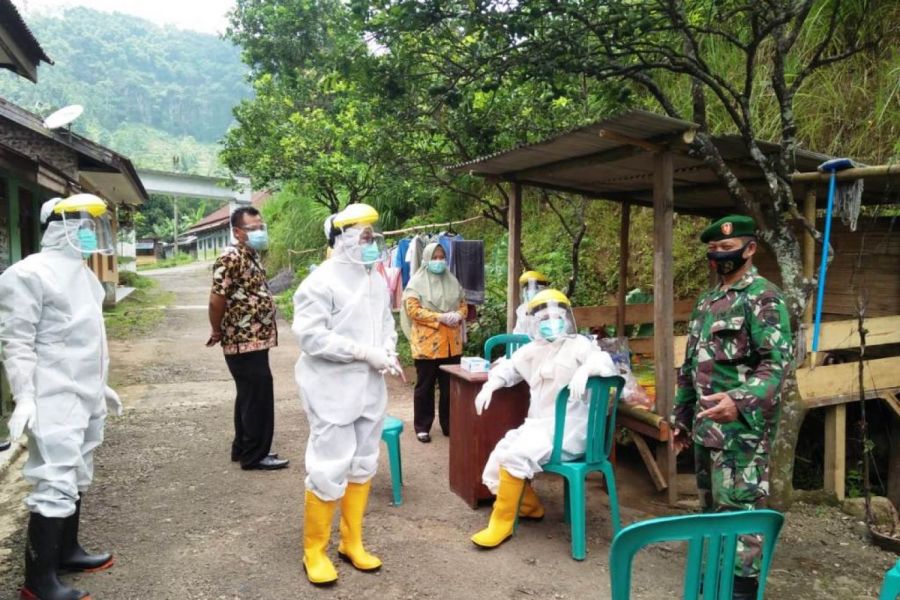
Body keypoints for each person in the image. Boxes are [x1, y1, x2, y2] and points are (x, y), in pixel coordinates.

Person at [0, 194, 123, 600]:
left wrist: (100, 384)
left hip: (84, 392)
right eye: (83, 225)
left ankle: (67, 551)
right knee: (53, 478)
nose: (89, 234)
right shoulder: (28, 274)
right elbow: (16, 342)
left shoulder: (84, 275)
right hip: (52, 393)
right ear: (59, 226)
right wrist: (25, 397)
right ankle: (38, 581)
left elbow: (90, 339)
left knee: (77, 470)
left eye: (94, 226)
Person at [671, 215, 792, 600]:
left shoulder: (763, 297)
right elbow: (692, 365)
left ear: (750, 248)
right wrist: (681, 419)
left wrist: (738, 402)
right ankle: (716, 582)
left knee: (740, 514)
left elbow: (776, 363)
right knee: (710, 514)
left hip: (742, 434)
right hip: (707, 432)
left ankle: (740, 590)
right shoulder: (707, 302)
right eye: (714, 249)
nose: (720, 255)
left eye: (727, 247)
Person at [293, 203, 401, 585]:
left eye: (374, 235)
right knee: (329, 465)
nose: (370, 242)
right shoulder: (321, 282)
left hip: (370, 385)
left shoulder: (373, 277)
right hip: (332, 387)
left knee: (363, 461)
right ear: (341, 238)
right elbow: (310, 336)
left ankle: (351, 541)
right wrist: (361, 352)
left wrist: (388, 348)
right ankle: (315, 550)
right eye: (363, 235)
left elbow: (386, 320)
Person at [470, 289, 617, 548]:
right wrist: (491, 384)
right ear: (535, 323)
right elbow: (509, 367)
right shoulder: (533, 350)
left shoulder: (580, 345)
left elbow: (604, 362)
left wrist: (587, 370)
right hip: (540, 426)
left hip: (572, 428)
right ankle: (530, 507)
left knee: (516, 455)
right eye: (545, 318)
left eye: (557, 316)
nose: (552, 322)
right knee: (501, 454)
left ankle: (500, 524)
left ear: (567, 317)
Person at [207, 206, 288, 471]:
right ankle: (255, 455)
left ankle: (243, 448)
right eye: (253, 228)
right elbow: (216, 298)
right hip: (242, 340)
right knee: (258, 395)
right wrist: (216, 329)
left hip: (255, 339)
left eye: (261, 227)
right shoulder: (230, 257)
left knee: (248, 394)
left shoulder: (249, 255)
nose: (259, 232)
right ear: (238, 232)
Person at [401, 243, 467, 443]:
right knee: (425, 387)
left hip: (451, 345)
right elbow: (412, 310)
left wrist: (458, 314)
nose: (439, 261)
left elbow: (463, 305)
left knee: (449, 388)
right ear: (427, 259)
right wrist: (439, 317)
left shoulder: (453, 281)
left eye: (442, 257)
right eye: (435, 257)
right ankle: (422, 426)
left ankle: (449, 424)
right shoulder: (417, 282)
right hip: (427, 345)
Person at [512, 270, 549, 336]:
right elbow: (517, 332)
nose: (530, 291)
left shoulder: (550, 307)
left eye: (534, 287)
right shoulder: (521, 309)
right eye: (527, 288)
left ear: (542, 289)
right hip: (523, 344)